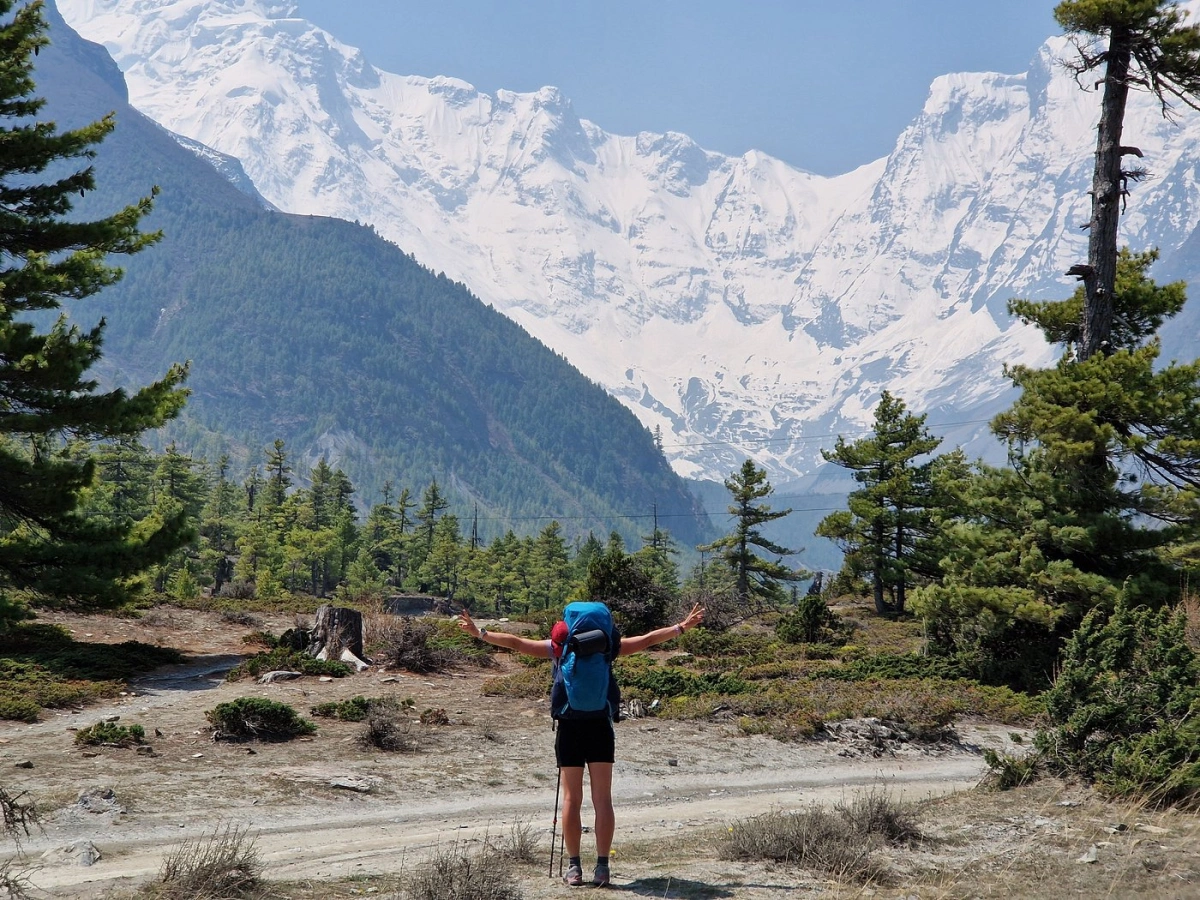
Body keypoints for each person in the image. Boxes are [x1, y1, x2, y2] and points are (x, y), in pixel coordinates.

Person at [459, 601, 705, 887]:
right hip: (600, 726)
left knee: (571, 800)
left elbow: (515, 642)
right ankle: (602, 867)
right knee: (603, 800)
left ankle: (574, 867)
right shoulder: (609, 648)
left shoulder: (559, 647)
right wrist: (681, 627)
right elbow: (649, 639)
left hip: (569, 726)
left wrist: (480, 632)